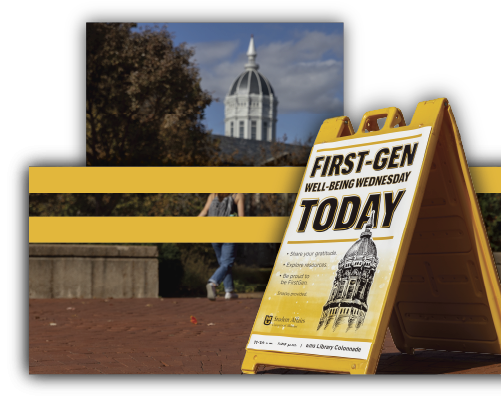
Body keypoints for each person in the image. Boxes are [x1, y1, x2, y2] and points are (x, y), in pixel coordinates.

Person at [198, 193, 245, 300]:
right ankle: (213, 282)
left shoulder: (213, 194)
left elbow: (205, 211)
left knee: (223, 263)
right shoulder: (238, 195)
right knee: (227, 262)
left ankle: (229, 291)